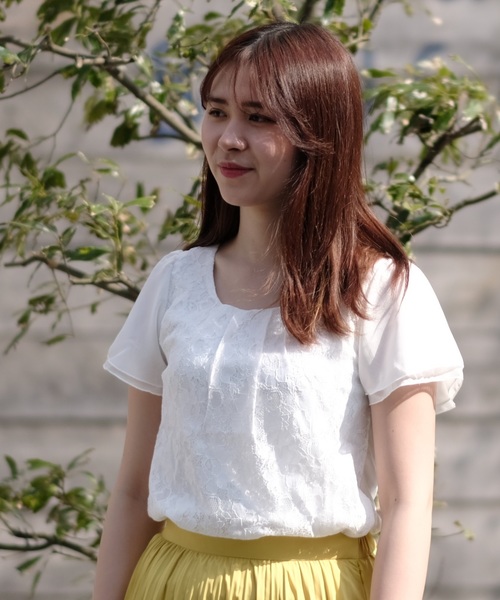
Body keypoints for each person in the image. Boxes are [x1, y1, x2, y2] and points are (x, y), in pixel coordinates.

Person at [92, 21, 463, 600]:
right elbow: (134, 491)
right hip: (169, 581)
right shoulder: (175, 281)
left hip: (311, 585)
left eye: (259, 118)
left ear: (320, 134)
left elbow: (406, 503)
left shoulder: (381, 288)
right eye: (216, 112)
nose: (228, 138)